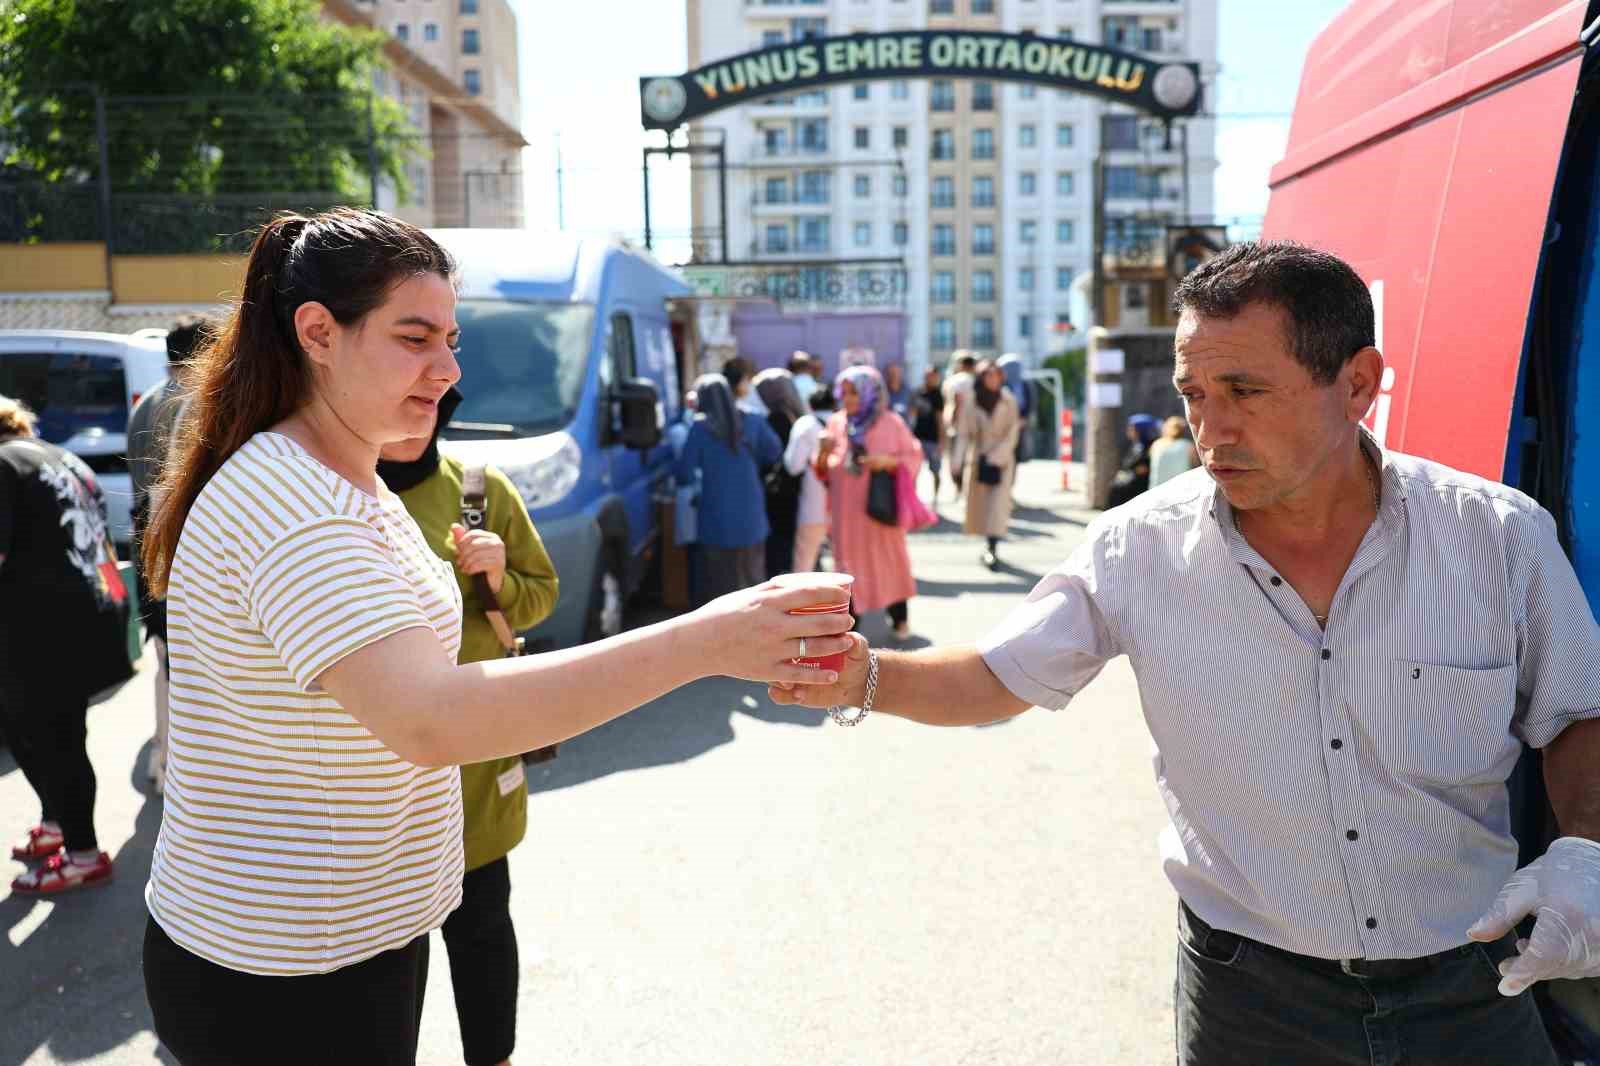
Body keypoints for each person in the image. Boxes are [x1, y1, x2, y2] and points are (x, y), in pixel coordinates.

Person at [771, 241, 1600, 1066]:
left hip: (1473, 983)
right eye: (1193, 394)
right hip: (1251, 1005)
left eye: (1244, 391)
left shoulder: (1496, 540)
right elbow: (998, 677)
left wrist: (1588, 853)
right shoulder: (1138, 549)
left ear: (1358, 384)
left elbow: (1579, 712)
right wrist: (861, 676)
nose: (1210, 430)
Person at [136, 209, 852, 1065]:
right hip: (286, 967)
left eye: (451, 337)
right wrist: (704, 643)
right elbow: (434, 717)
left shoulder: (339, 472)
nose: (448, 370)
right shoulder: (301, 506)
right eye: (414, 338)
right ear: (318, 333)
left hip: (334, 940)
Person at [377, 387, 558, 1066]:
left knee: (482, 927)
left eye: (429, 411)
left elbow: (543, 596)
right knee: (394, 951)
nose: (413, 423)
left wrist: (501, 578)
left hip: (478, 758)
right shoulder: (342, 496)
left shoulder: (481, 492)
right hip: (388, 765)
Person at [1, 395, 129, 894]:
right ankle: (59, 825)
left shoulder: (5, 464)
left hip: (43, 626)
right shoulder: (58, 456)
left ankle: (82, 853)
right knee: (36, 730)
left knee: (53, 739)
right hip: (90, 610)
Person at [125, 313, 211, 795]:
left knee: (164, 655)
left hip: (146, 538)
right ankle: (179, 766)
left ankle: (163, 757)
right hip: (179, 542)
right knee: (187, 663)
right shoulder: (195, 403)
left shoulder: (145, 404)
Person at [816, 366, 922, 641]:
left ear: (870, 393)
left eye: (854, 392)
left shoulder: (890, 422)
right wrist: (823, 451)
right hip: (846, 512)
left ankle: (899, 617)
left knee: (888, 561)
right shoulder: (836, 423)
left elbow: (912, 457)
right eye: (845, 392)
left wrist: (886, 462)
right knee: (847, 566)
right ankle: (851, 627)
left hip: (879, 510)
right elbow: (823, 471)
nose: (848, 399)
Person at [674, 373, 784, 600]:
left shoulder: (700, 428)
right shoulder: (753, 420)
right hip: (752, 517)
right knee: (755, 587)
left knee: (720, 592)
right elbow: (775, 452)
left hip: (716, 521)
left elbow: (684, 474)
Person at [960, 359, 1022, 571]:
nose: (992, 379)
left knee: (997, 506)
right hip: (979, 458)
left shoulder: (1008, 400)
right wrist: (958, 461)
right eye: (988, 375)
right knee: (982, 507)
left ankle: (992, 548)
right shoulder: (972, 400)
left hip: (1002, 461)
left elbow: (1013, 431)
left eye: (996, 375)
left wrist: (998, 455)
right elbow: (964, 431)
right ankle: (988, 543)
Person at [754, 368, 807, 580]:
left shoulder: (776, 419)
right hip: (793, 491)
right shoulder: (795, 416)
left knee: (779, 544)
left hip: (778, 493)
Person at [786, 386, 834, 573]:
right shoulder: (844, 423)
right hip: (843, 505)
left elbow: (793, 466)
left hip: (812, 504)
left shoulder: (805, 424)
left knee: (803, 564)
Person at [1106, 412, 1161, 508]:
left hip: (1139, 489)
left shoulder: (1151, 446)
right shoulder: (1136, 445)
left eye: (1132, 429)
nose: (1129, 431)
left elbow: (1142, 469)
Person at [942, 352, 978, 496]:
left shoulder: (956, 380)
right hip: (974, 425)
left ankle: (960, 488)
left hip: (958, 426)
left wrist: (952, 423)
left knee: (956, 459)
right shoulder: (976, 380)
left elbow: (957, 400)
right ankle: (965, 489)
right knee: (968, 458)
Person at [910, 367, 945, 506]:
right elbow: (912, 414)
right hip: (918, 437)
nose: (931, 379)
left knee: (935, 470)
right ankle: (913, 498)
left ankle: (936, 498)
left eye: (934, 376)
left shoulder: (937, 395)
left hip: (933, 438)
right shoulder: (917, 393)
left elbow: (940, 419)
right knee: (914, 470)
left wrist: (942, 441)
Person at [996, 353, 1035, 469]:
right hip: (1004, 423)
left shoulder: (1026, 384)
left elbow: (1031, 401)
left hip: (1021, 421)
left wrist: (1025, 418)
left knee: (1018, 447)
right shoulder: (1001, 384)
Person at [1148, 414, 1201, 489]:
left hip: (1156, 490)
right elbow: (1196, 467)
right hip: (1181, 489)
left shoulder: (1156, 444)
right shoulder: (1189, 446)